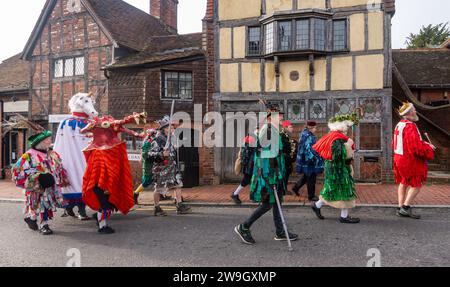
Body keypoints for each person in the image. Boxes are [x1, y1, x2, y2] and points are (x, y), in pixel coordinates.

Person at [234, 106, 298, 245]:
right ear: (270, 118)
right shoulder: (267, 130)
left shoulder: (275, 130)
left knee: (277, 202)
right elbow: (261, 153)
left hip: (276, 173)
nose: (281, 117)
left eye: (281, 115)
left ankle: (280, 232)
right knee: (268, 203)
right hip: (269, 174)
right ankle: (244, 227)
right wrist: (270, 175)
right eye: (278, 116)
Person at [81, 113, 146, 234]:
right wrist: (93, 125)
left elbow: (122, 126)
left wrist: (137, 132)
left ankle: (101, 220)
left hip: (107, 185)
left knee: (108, 205)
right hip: (100, 185)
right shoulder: (98, 153)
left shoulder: (114, 152)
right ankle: (102, 226)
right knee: (105, 206)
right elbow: (83, 131)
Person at [12, 128, 69, 235]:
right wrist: (35, 176)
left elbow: (58, 167)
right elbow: (17, 169)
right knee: (36, 204)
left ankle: (43, 224)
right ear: (40, 143)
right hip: (36, 185)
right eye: (47, 139)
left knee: (45, 203)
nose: (49, 141)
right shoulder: (29, 154)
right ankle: (34, 219)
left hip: (49, 185)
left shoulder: (51, 153)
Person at [54, 93, 98, 220]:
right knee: (75, 182)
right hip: (72, 161)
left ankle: (78, 209)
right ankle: (74, 209)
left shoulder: (91, 123)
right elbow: (62, 145)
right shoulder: (67, 123)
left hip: (87, 159)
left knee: (84, 183)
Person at [310, 113, 360, 224]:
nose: (347, 128)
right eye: (346, 125)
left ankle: (317, 205)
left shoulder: (332, 135)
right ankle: (344, 216)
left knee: (332, 188)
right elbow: (337, 155)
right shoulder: (337, 138)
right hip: (338, 168)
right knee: (345, 189)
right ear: (341, 126)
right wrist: (348, 148)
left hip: (333, 167)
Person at [393, 102, 435, 219]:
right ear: (409, 112)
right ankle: (405, 208)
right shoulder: (410, 126)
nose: (416, 111)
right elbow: (415, 148)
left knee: (403, 182)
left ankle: (400, 207)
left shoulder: (399, 124)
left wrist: (424, 143)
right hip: (409, 160)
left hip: (399, 158)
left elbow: (405, 143)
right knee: (416, 185)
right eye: (414, 109)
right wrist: (428, 148)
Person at [150, 116, 191, 216]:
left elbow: (173, 149)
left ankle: (179, 205)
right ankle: (156, 207)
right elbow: (151, 154)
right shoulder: (158, 139)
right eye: (170, 127)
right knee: (159, 188)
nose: (172, 129)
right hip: (162, 168)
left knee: (177, 185)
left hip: (172, 166)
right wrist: (161, 154)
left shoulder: (171, 137)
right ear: (165, 128)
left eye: (172, 127)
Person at [291, 121, 324, 201]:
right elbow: (307, 149)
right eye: (315, 128)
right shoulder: (307, 136)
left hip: (307, 160)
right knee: (311, 177)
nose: (316, 129)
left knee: (306, 176)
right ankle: (311, 196)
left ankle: (296, 188)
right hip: (309, 160)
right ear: (310, 128)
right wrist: (314, 158)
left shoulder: (307, 134)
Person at [231, 129, 258, 205]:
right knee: (248, 180)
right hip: (251, 164)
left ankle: (236, 194)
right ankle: (236, 194)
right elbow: (248, 152)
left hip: (252, 164)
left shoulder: (253, 138)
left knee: (250, 180)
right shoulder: (251, 138)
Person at [133, 128, 157, 204]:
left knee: (158, 179)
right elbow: (144, 154)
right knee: (147, 181)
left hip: (153, 163)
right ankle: (135, 193)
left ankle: (161, 194)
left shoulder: (153, 141)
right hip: (148, 164)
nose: (155, 135)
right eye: (154, 134)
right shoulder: (148, 142)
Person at [280, 120, 297, 191]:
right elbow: (283, 147)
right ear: (285, 128)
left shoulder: (287, 136)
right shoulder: (282, 135)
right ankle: (283, 189)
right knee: (284, 174)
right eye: (290, 127)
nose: (292, 128)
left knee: (287, 174)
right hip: (284, 158)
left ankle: (284, 189)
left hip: (287, 158)